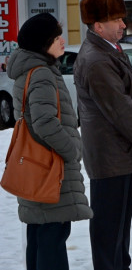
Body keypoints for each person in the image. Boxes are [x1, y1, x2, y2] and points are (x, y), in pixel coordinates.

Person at [73, 0, 132, 270]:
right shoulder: (97, 59)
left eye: (123, 18)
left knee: (119, 232)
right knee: (109, 234)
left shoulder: (108, 51)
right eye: (117, 19)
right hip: (110, 158)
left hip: (118, 156)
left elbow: (120, 95)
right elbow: (119, 110)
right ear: (98, 26)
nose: (124, 24)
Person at [7, 13, 93, 270]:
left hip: (35, 168)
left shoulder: (29, 71)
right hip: (50, 169)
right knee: (53, 238)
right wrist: (72, 148)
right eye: (56, 37)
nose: (62, 41)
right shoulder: (43, 73)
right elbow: (44, 123)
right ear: (42, 43)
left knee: (39, 235)